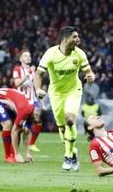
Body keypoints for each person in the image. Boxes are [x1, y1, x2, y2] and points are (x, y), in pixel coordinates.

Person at [34, 26, 95, 171]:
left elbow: (88, 71)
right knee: (61, 127)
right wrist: (38, 89)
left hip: (74, 90)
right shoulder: (51, 54)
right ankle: (73, 152)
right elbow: (38, 74)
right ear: (65, 38)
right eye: (74, 37)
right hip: (56, 93)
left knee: (69, 120)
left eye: (78, 36)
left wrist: (91, 75)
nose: (78, 39)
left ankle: (67, 155)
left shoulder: (79, 54)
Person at [0, 88, 36, 163]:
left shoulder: (33, 109)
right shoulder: (25, 110)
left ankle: (13, 155)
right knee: (8, 124)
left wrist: (27, 153)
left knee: (22, 128)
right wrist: (17, 154)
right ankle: (8, 156)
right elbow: (14, 132)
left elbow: (27, 132)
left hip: (7, 101)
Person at [13, 49, 43, 152]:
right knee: (21, 129)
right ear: (21, 59)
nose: (28, 57)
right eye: (25, 56)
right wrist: (28, 74)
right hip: (22, 100)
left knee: (38, 120)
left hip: (33, 99)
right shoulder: (17, 69)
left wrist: (39, 92)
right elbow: (17, 83)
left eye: (29, 56)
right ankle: (16, 150)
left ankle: (31, 143)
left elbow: (36, 84)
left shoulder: (34, 71)